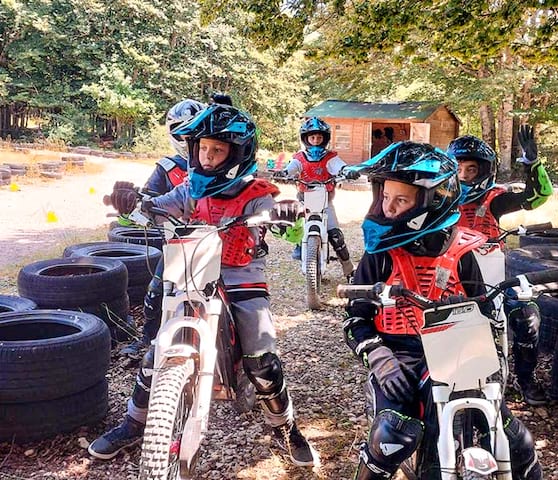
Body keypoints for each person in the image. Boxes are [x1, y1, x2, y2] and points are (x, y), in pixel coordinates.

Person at [88, 104, 319, 467]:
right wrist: (132, 203)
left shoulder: (258, 192)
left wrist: (286, 213)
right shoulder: (189, 190)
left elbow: (288, 227)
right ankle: (135, 423)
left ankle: (285, 426)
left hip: (241, 274)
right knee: (158, 348)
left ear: (238, 154)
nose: (208, 158)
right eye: (203, 149)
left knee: (261, 355)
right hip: (192, 269)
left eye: (218, 150)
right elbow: (154, 208)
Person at [342, 141, 543, 480]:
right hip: (399, 354)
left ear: (434, 200)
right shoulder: (379, 254)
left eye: (401, 200)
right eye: (385, 197)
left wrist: (483, 335)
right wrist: (377, 355)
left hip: (456, 350)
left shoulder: (461, 251)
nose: (388, 209)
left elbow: (483, 308)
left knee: (514, 439)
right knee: (391, 437)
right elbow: (354, 319)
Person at [120, 96, 235, 360]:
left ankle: (234, 351)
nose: (186, 137)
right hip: (178, 244)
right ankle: (149, 339)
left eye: (193, 130)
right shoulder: (167, 167)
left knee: (232, 295)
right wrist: (132, 205)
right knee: (158, 290)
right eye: (180, 131)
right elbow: (147, 199)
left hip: (220, 242)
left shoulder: (225, 164)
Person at [447, 125, 553, 406]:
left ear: (484, 170)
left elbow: (538, 196)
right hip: (450, 271)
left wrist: (533, 164)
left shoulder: (495, 198)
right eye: (459, 169)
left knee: (526, 313)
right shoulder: (439, 198)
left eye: (471, 169)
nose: (465, 175)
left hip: (492, 269)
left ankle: (526, 378)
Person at [278, 116, 359, 279]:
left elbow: (339, 166)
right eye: (312, 137)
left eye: (319, 137)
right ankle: (300, 246)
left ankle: (349, 269)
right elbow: (293, 167)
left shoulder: (330, 157)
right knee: (295, 226)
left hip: (324, 200)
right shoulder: (299, 158)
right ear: (305, 139)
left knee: (335, 235)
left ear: (325, 139)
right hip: (303, 198)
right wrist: (285, 172)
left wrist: (346, 171)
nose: (315, 141)